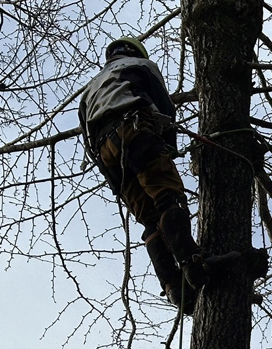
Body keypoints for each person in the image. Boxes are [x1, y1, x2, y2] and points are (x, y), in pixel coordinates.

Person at [79, 37, 206, 313]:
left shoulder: (89, 90)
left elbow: (87, 140)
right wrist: (168, 148)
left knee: (149, 219)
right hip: (134, 129)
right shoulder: (141, 65)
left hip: (106, 152)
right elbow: (164, 107)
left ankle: (174, 288)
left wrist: (117, 184)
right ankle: (192, 261)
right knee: (167, 195)